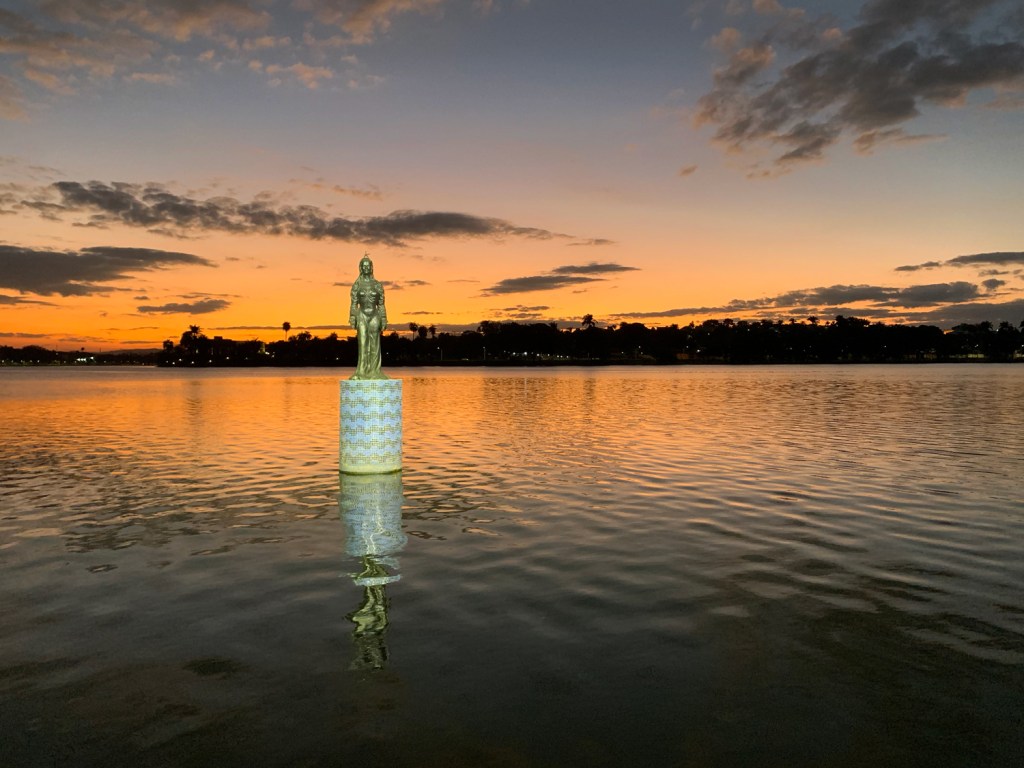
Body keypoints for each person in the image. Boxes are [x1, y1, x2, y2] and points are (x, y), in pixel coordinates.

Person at [349, 254, 388, 380]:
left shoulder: (377, 285)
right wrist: (352, 317)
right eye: (363, 266)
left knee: (375, 344)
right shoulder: (357, 285)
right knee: (363, 343)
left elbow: (381, 304)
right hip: (362, 315)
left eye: (368, 265)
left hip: (374, 315)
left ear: (371, 267)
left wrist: (383, 318)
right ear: (360, 268)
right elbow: (354, 303)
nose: (366, 268)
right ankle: (361, 372)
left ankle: (375, 372)